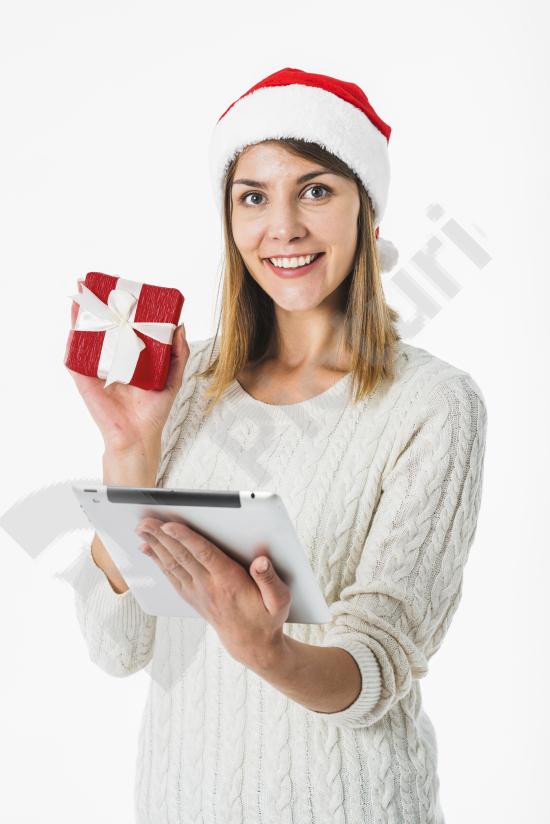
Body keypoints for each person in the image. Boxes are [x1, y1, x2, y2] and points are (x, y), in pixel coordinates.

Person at [67, 67, 488, 824]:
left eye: (317, 190)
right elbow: (117, 646)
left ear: (369, 213)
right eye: (254, 196)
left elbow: (382, 658)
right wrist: (130, 453)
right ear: (230, 220)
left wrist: (269, 651)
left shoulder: (432, 406)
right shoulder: (184, 382)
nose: (283, 227)